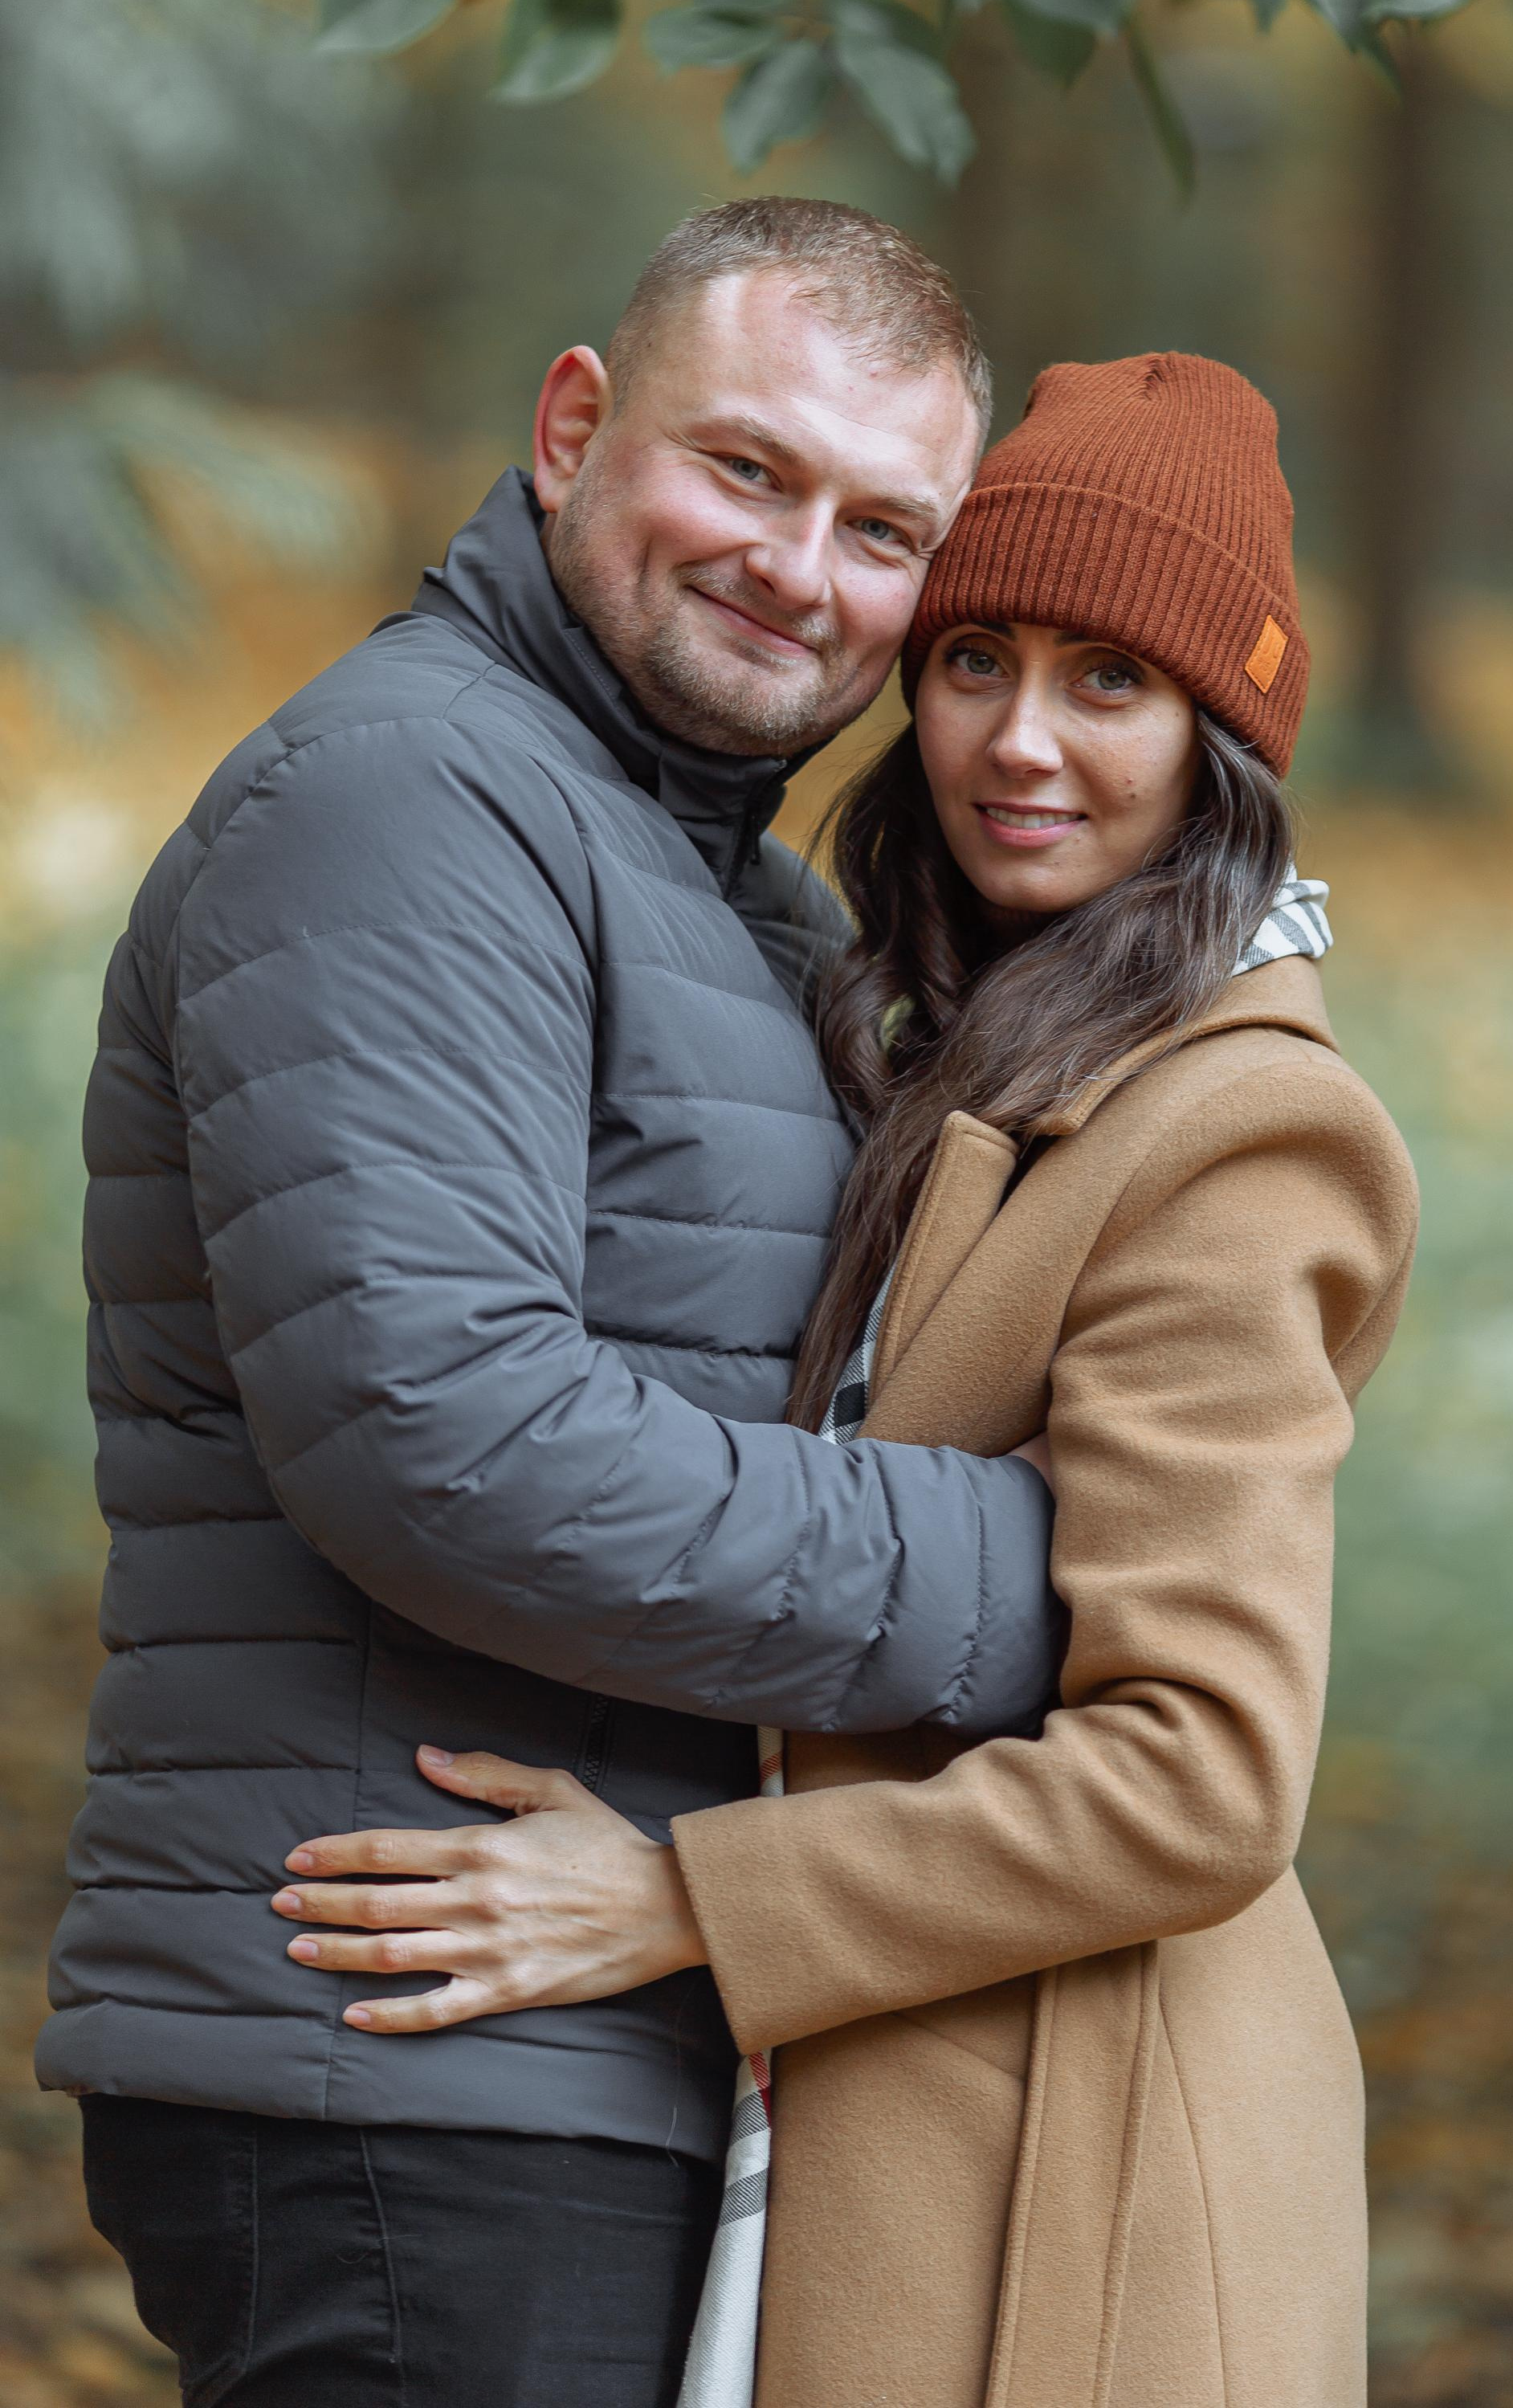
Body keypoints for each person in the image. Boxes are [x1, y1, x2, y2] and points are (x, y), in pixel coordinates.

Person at [267, 353, 1421, 2408]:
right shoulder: (962, 1035)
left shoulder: (1239, 1130)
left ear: (1221, 737)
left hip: (1091, 2158)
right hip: (905, 2102)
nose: (1021, 739)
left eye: (1111, 682)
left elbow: (1206, 1774)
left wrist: (684, 1900)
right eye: (975, 654)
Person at [40, 199, 1070, 2408]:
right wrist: (1049, 1569)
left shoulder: (744, 899)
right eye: (747, 472)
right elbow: (444, 1432)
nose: (802, 572)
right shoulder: (413, 800)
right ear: (571, 427)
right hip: (408, 2040)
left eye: (885, 533)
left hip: (577, 2032)